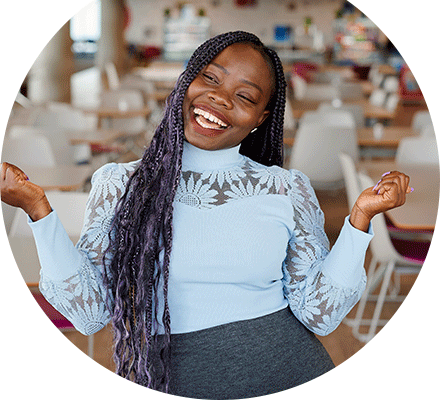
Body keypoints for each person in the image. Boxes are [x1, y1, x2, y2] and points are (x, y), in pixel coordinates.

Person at [1, 31, 411, 399]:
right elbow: (88, 314)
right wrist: (38, 210)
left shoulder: (288, 188)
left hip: (289, 371)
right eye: (211, 79)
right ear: (187, 81)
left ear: (260, 120)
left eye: (246, 96)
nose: (220, 98)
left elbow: (318, 315)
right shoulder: (118, 182)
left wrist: (359, 220)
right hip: (170, 378)